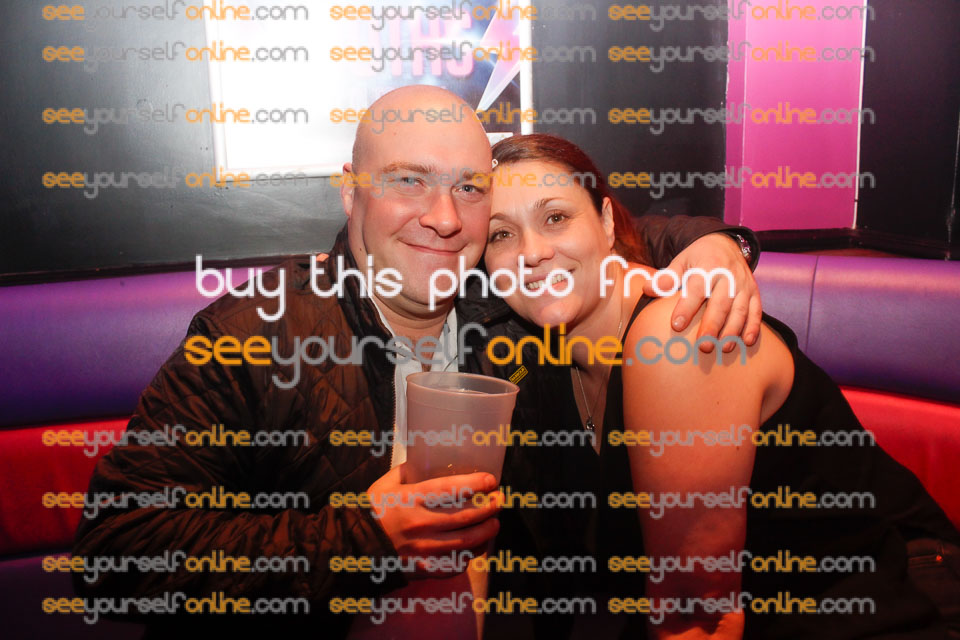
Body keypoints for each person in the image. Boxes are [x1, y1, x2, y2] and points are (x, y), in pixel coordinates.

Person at [71, 86, 764, 638]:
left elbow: (590, 240)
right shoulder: (254, 334)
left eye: (470, 188)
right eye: (409, 180)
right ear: (351, 191)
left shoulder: (508, 306)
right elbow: (112, 552)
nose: (444, 218)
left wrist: (715, 245)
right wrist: (362, 537)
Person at [481, 133, 960, 639]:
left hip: (900, 595)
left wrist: (724, 242)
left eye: (556, 217)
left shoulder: (677, 335)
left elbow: (697, 618)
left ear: (605, 221)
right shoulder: (545, 365)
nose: (532, 253)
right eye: (500, 234)